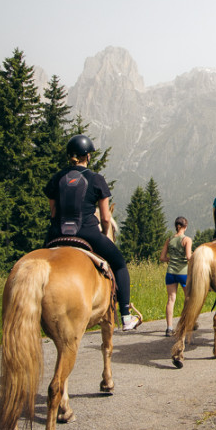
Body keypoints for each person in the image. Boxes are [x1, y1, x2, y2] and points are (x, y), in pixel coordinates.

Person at [44, 134, 139, 331]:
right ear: (87, 156)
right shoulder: (96, 179)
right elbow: (105, 218)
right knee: (120, 265)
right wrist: (105, 235)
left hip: (56, 234)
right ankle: (126, 316)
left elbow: (53, 212)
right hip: (86, 232)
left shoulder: (57, 178)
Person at [159, 216, 192, 337]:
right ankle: (186, 324)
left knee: (171, 299)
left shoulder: (169, 239)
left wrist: (171, 259)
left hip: (171, 273)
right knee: (188, 298)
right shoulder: (187, 240)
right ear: (185, 226)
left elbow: (162, 258)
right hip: (183, 273)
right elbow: (188, 257)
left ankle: (169, 328)